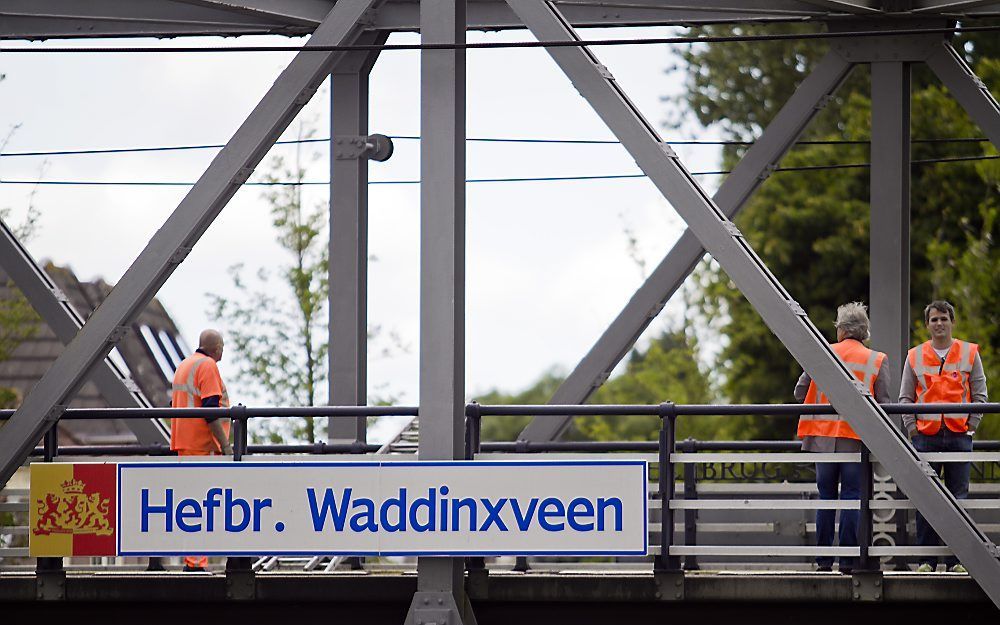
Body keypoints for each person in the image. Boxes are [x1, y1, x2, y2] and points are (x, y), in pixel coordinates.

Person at [795, 302, 889, 574]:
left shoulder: (822, 354)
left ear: (841, 330)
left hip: (823, 438)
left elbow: (800, 393)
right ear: (864, 332)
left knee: (826, 496)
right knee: (852, 496)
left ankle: (824, 561)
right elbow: (884, 403)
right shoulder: (877, 360)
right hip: (856, 439)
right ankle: (848, 561)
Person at [900, 300, 986, 574]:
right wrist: (912, 430)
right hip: (925, 436)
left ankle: (957, 560)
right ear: (927, 324)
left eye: (944, 319)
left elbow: (980, 395)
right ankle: (927, 560)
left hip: (959, 434)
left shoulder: (969, 353)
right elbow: (905, 397)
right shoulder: (914, 355)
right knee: (927, 499)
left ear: (952, 321)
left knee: (958, 498)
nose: (939, 324)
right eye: (934, 319)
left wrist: (971, 427)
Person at [170, 329, 232, 572]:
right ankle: (195, 564)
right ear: (216, 348)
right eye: (222, 346)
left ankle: (192, 560)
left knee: (191, 503)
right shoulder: (207, 366)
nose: (223, 351)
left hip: (186, 444)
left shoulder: (185, 365)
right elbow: (210, 409)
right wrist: (225, 447)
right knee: (201, 505)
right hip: (202, 445)